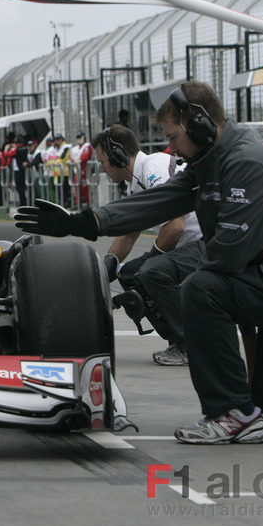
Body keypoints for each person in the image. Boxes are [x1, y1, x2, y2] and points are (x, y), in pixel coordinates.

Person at [16, 81, 263, 444]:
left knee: (202, 287)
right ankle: (245, 413)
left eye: (175, 137)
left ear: (200, 124)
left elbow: (229, 256)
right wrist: (84, 222)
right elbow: (161, 200)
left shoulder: (248, 162)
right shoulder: (211, 161)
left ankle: (230, 412)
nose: (172, 147)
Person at [91, 124, 202, 366]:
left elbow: (176, 225)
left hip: (208, 242)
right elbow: (129, 234)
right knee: (129, 274)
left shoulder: (154, 168)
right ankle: (177, 338)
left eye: (102, 161)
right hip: (190, 246)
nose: (102, 168)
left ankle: (190, 345)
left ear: (117, 155)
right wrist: (108, 266)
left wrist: (153, 258)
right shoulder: (137, 183)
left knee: (152, 271)